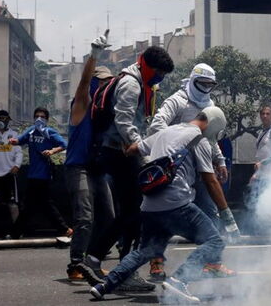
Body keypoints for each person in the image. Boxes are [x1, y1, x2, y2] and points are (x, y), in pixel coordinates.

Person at [78, 107, 240, 302]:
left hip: (150, 206)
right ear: (213, 125)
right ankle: (179, 281)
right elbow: (210, 180)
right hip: (177, 204)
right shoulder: (200, 140)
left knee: (145, 251)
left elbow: (133, 149)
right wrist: (227, 216)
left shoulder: (166, 131)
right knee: (214, 242)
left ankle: (104, 285)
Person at [86, 45, 174, 292]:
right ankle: (117, 267)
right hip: (121, 152)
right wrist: (141, 149)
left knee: (132, 211)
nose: (160, 77)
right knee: (136, 210)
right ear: (147, 65)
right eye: (159, 72)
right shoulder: (132, 85)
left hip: (119, 151)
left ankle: (101, 259)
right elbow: (124, 120)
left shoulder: (137, 82)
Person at [146, 63, 233, 281]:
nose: (205, 88)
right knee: (164, 216)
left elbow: (211, 137)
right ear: (193, 80)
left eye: (210, 85)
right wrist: (175, 142)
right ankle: (156, 262)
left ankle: (213, 262)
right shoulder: (177, 100)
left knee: (210, 212)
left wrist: (220, 160)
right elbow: (157, 125)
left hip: (200, 166)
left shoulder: (210, 104)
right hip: (174, 170)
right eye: (202, 83)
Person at [63, 33, 116, 281]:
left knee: (110, 218)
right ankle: (75, 264)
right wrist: (94, 56)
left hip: (97, 169)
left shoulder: (104, 112)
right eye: (103, 82)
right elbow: (84, 84)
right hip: (78, 168)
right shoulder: (81, 104)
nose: (106, 87)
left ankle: (92, 261)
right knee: (85, 217)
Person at [9, 107, 70, 238]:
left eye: (42, 117)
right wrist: (13, 141)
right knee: (38, 204)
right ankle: (64, 229)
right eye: (37, 116)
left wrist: (52, 151)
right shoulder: (31, 131)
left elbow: (64, 144)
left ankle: (16, 232)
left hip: (43, 174)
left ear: (47, 119)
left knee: (36, 204)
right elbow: (19, 140)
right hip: (32, 174)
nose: (39, 119)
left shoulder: (49, 132)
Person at [246, 104, 271, 234]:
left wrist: (263, 163)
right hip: (262, 174)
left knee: (268, 202)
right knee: (257, 201)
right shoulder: (263, 131)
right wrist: (257, 172)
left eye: (268, 114)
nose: (265, 116)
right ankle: (261, 229)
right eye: (263, 113)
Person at [0, 110, 22, 237]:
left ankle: (16, 232)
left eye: (5, 118)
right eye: (1, 118)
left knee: (12, 204)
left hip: (9, 174)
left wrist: (17, 165)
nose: (3, 121)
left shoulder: (14, 135)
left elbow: (19, 152)